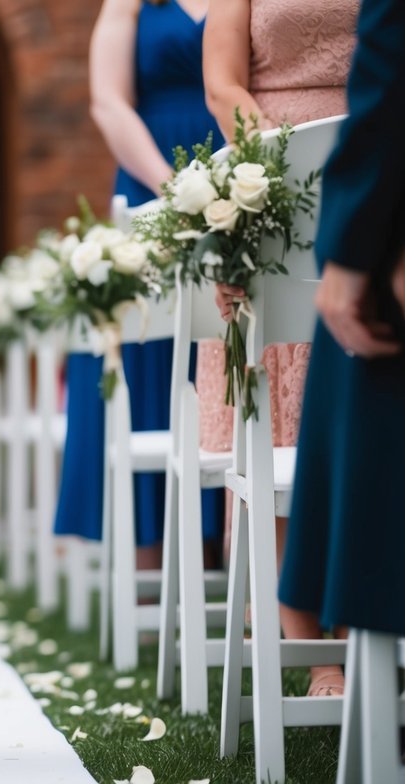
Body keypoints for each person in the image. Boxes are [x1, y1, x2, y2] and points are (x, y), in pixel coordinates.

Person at [202, 0, 358, 696]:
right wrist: (284, 171)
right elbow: (222, 84)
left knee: (363, 429)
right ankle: (313, 654)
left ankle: (367, 630)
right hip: (270, 178)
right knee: (281, 424)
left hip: (376, 159)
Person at [57, 0, 221, 571]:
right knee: (154, 345)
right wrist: (177, 187)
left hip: (237, 158)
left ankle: (237, 545)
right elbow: (109, 102)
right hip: (155, 176)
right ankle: (154, 552)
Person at [279, 0, 405, 658]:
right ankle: (320, 655)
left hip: (374, 189)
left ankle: (361, 656)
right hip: (280, 169)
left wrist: (351, 250)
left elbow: (389, 71)